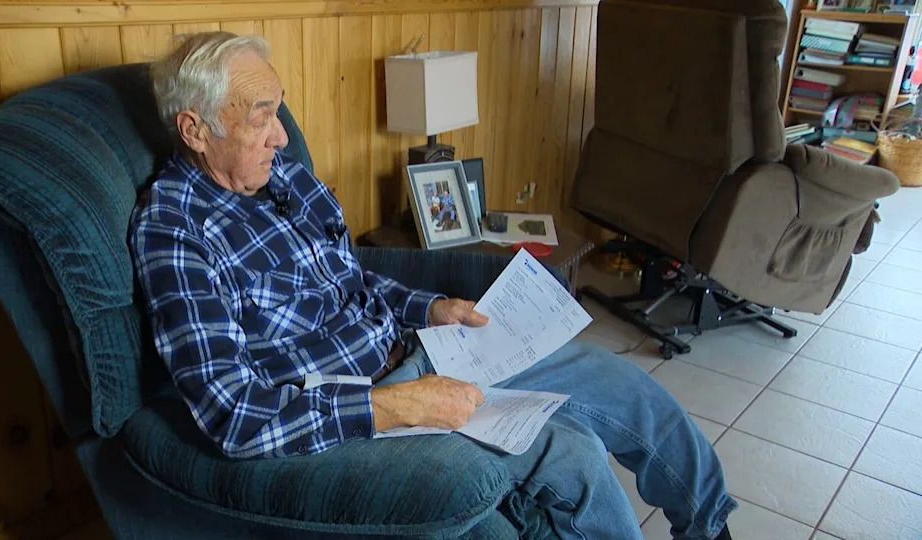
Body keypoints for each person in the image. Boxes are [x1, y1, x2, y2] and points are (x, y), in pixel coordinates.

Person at [130, 32, 737, 540]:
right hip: (367, 402)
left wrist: (431, 307)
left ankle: (710, 528)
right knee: (574, 454)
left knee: (626, 390)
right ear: (195, 129)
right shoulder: (175, 233)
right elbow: (235, 414)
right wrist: (400, 405)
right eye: (260, 117)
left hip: (422, 347)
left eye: (279, 111)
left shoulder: (282, 176)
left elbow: (349, 276)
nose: (282, 137)